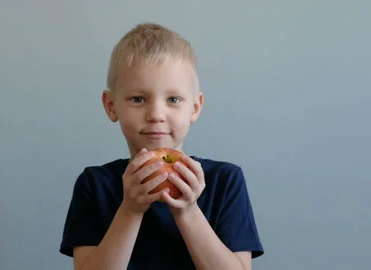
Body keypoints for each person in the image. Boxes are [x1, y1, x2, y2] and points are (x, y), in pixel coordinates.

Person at [59, 22, 264, 270]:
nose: (156, 114)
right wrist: (130, 210)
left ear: (195, 107)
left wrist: (187, 211)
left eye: (173, 99)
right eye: (138, 99)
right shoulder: (94, 185)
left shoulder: (225, 181)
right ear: (111, 106)